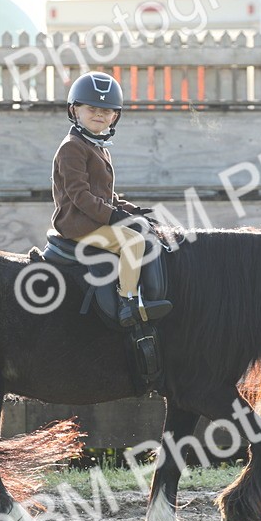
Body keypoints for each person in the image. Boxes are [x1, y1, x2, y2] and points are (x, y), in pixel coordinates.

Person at [50, 71, 171, 328]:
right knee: (132, 242)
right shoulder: (72, 147)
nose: (99, 115)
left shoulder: (97, 146)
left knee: (144, 230)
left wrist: (132, 211)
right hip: (77, 223)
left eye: (106, 111)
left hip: (93, 217)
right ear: (75, 110)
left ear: (115, 116)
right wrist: (115, 217)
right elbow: (80, 196)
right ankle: (128, 303)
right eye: (92, 108)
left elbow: (105, 195)